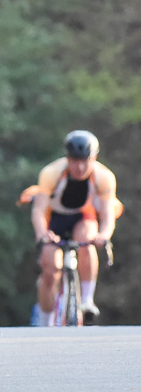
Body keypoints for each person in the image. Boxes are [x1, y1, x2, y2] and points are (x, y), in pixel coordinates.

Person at [27, 130, 119, 325]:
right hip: (55, 219)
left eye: (85, 160)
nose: (79, 167)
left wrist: (104, 235)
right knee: (50, 269)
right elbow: (38, 210)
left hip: (82, 216)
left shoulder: (104, 177)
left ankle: (86, 301)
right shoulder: (51, 173)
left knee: (87, 238)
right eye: (74, 160)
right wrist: (42, 233)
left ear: (94, 158)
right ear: (67, 158)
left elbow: (108, 213)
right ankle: (46, 321)